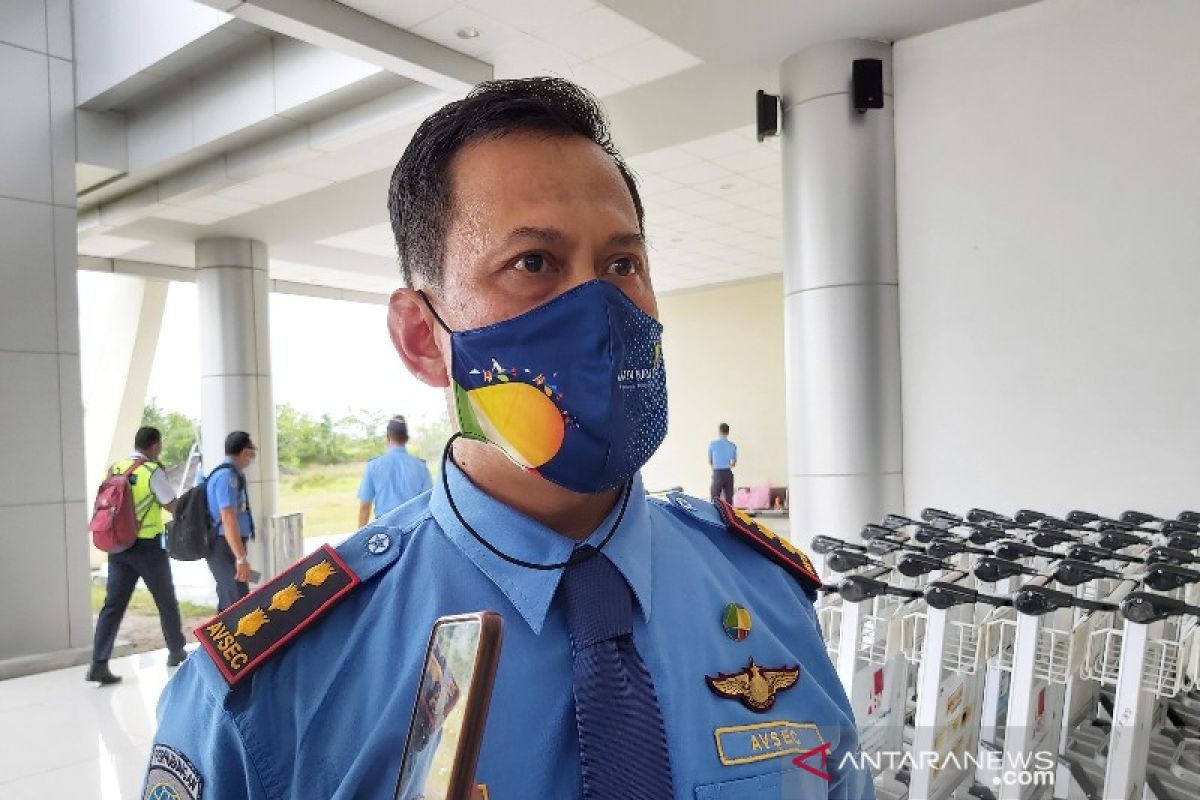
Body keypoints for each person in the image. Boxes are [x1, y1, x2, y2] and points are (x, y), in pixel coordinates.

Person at [145, 78, 872, 800]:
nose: (600, 308)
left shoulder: (768, 594)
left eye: (622, 264)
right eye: (533, 263)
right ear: (422, 337)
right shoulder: (272, 689)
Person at [87, 426, 188, 685]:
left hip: (118, 545)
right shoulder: (150, 471)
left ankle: (98, 663)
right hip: (147, 547)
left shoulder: (116, 468)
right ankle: (176, 651)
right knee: (165, 598)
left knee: (113, 606)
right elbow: (171, 504)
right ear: (155, 446)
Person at [203, 431, 256, 612]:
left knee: (230, 597)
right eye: (252, 449)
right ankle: (239, 640)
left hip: (227, 543)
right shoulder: (227, 477)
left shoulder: (231, 474)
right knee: (237, 601)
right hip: (223, 544)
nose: (253, 455)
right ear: (244, 451)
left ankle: (220, 640)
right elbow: (228, 517)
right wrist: (240, 558)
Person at [357, 415, 432, 526]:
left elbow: (365, 506)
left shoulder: (373, 466)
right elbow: (428, 503)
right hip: (413, 530)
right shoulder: (421, 466)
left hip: (384, 533)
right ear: (406, 438)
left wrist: (361, 539)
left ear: (388, 437)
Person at [708, 422, 738, 505]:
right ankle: (729, 517)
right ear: (728, 432)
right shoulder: (733, 445)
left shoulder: (713, 444)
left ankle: (715, 517)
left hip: (718, 473)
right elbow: (734, 463)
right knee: (729, 501)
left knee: (714, 499)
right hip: (728, 473)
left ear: (719, 431)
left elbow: (710, 461)